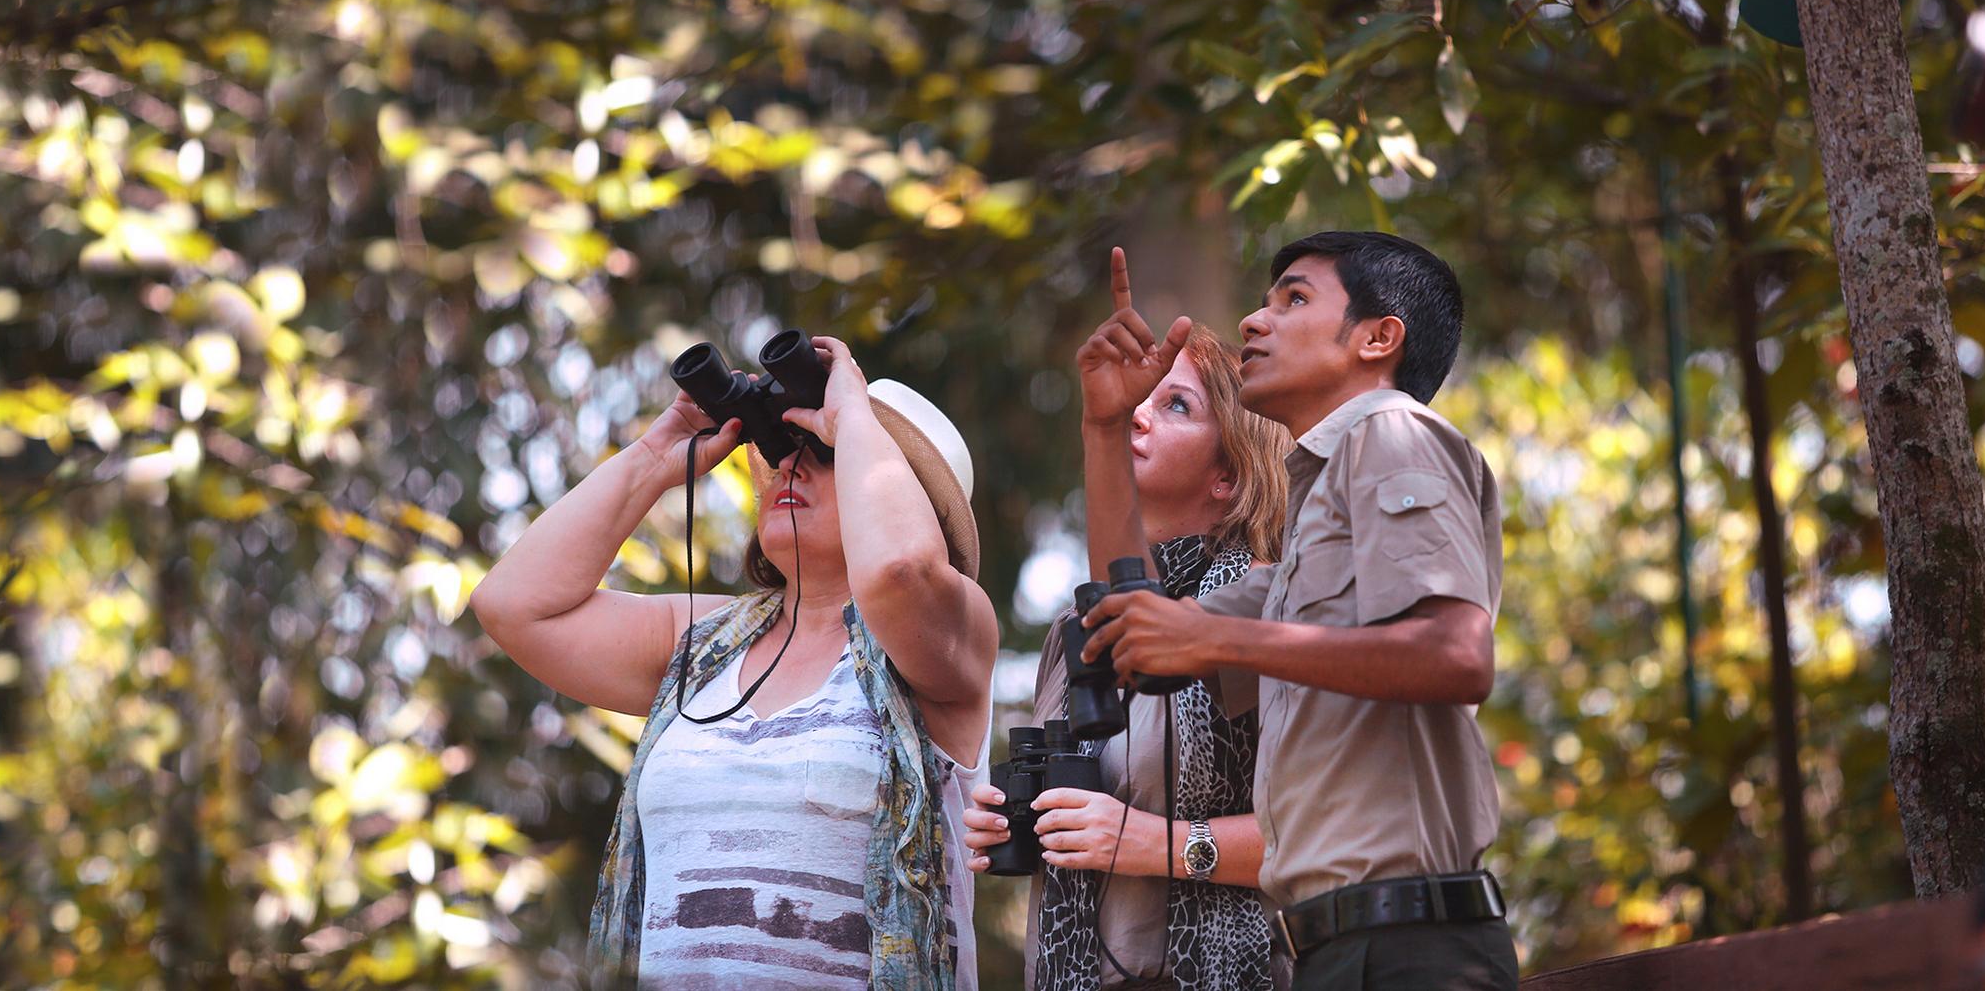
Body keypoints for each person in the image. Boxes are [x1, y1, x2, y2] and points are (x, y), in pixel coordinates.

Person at [468, 336, 997, 990]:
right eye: (780, 448)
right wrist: (654, 459)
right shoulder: (705, 639)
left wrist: (853, 413)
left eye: (826, 454)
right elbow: (512, 606)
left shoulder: (951, 635)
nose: (790, 467)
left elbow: (900, 569)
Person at [1079, 233, 1517, 990]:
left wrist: (1217, 634)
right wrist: (1105, 428)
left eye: (1294, 299)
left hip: (1406, 942)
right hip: (1339, 946)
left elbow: (1457, 655)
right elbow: (1140, 636)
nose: (1256, 319)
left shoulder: (1391, 430)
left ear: (1379, 338)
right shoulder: (1315, 525)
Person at [963, 249, 1293, 991]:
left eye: (1175, 405)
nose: (1138, 413)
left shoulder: (1266, 603)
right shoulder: (1071, 635)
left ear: (1229, 475)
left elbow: (1325, 832)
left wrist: (1155, 844)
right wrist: (1009, 824)